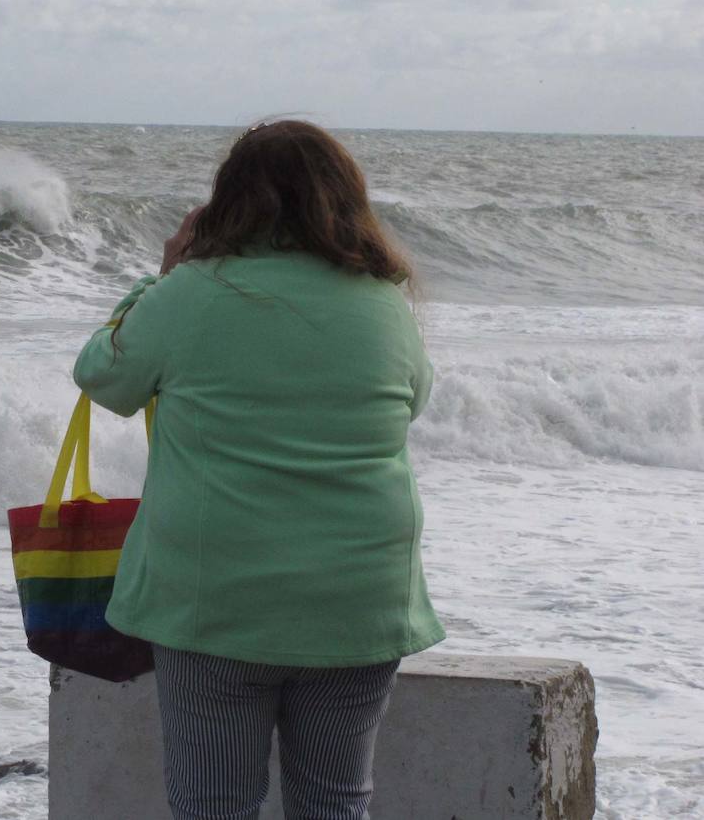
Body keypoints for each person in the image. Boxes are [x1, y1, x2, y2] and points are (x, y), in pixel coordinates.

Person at [72, 119, 443, 820]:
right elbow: (413, 400)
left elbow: (103, 375)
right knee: (336, 804)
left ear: (229, 201)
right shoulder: (384, 304)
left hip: (218, 602)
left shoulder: (191, 293)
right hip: (359, 600)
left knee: (216, 808)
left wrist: (163, 278)